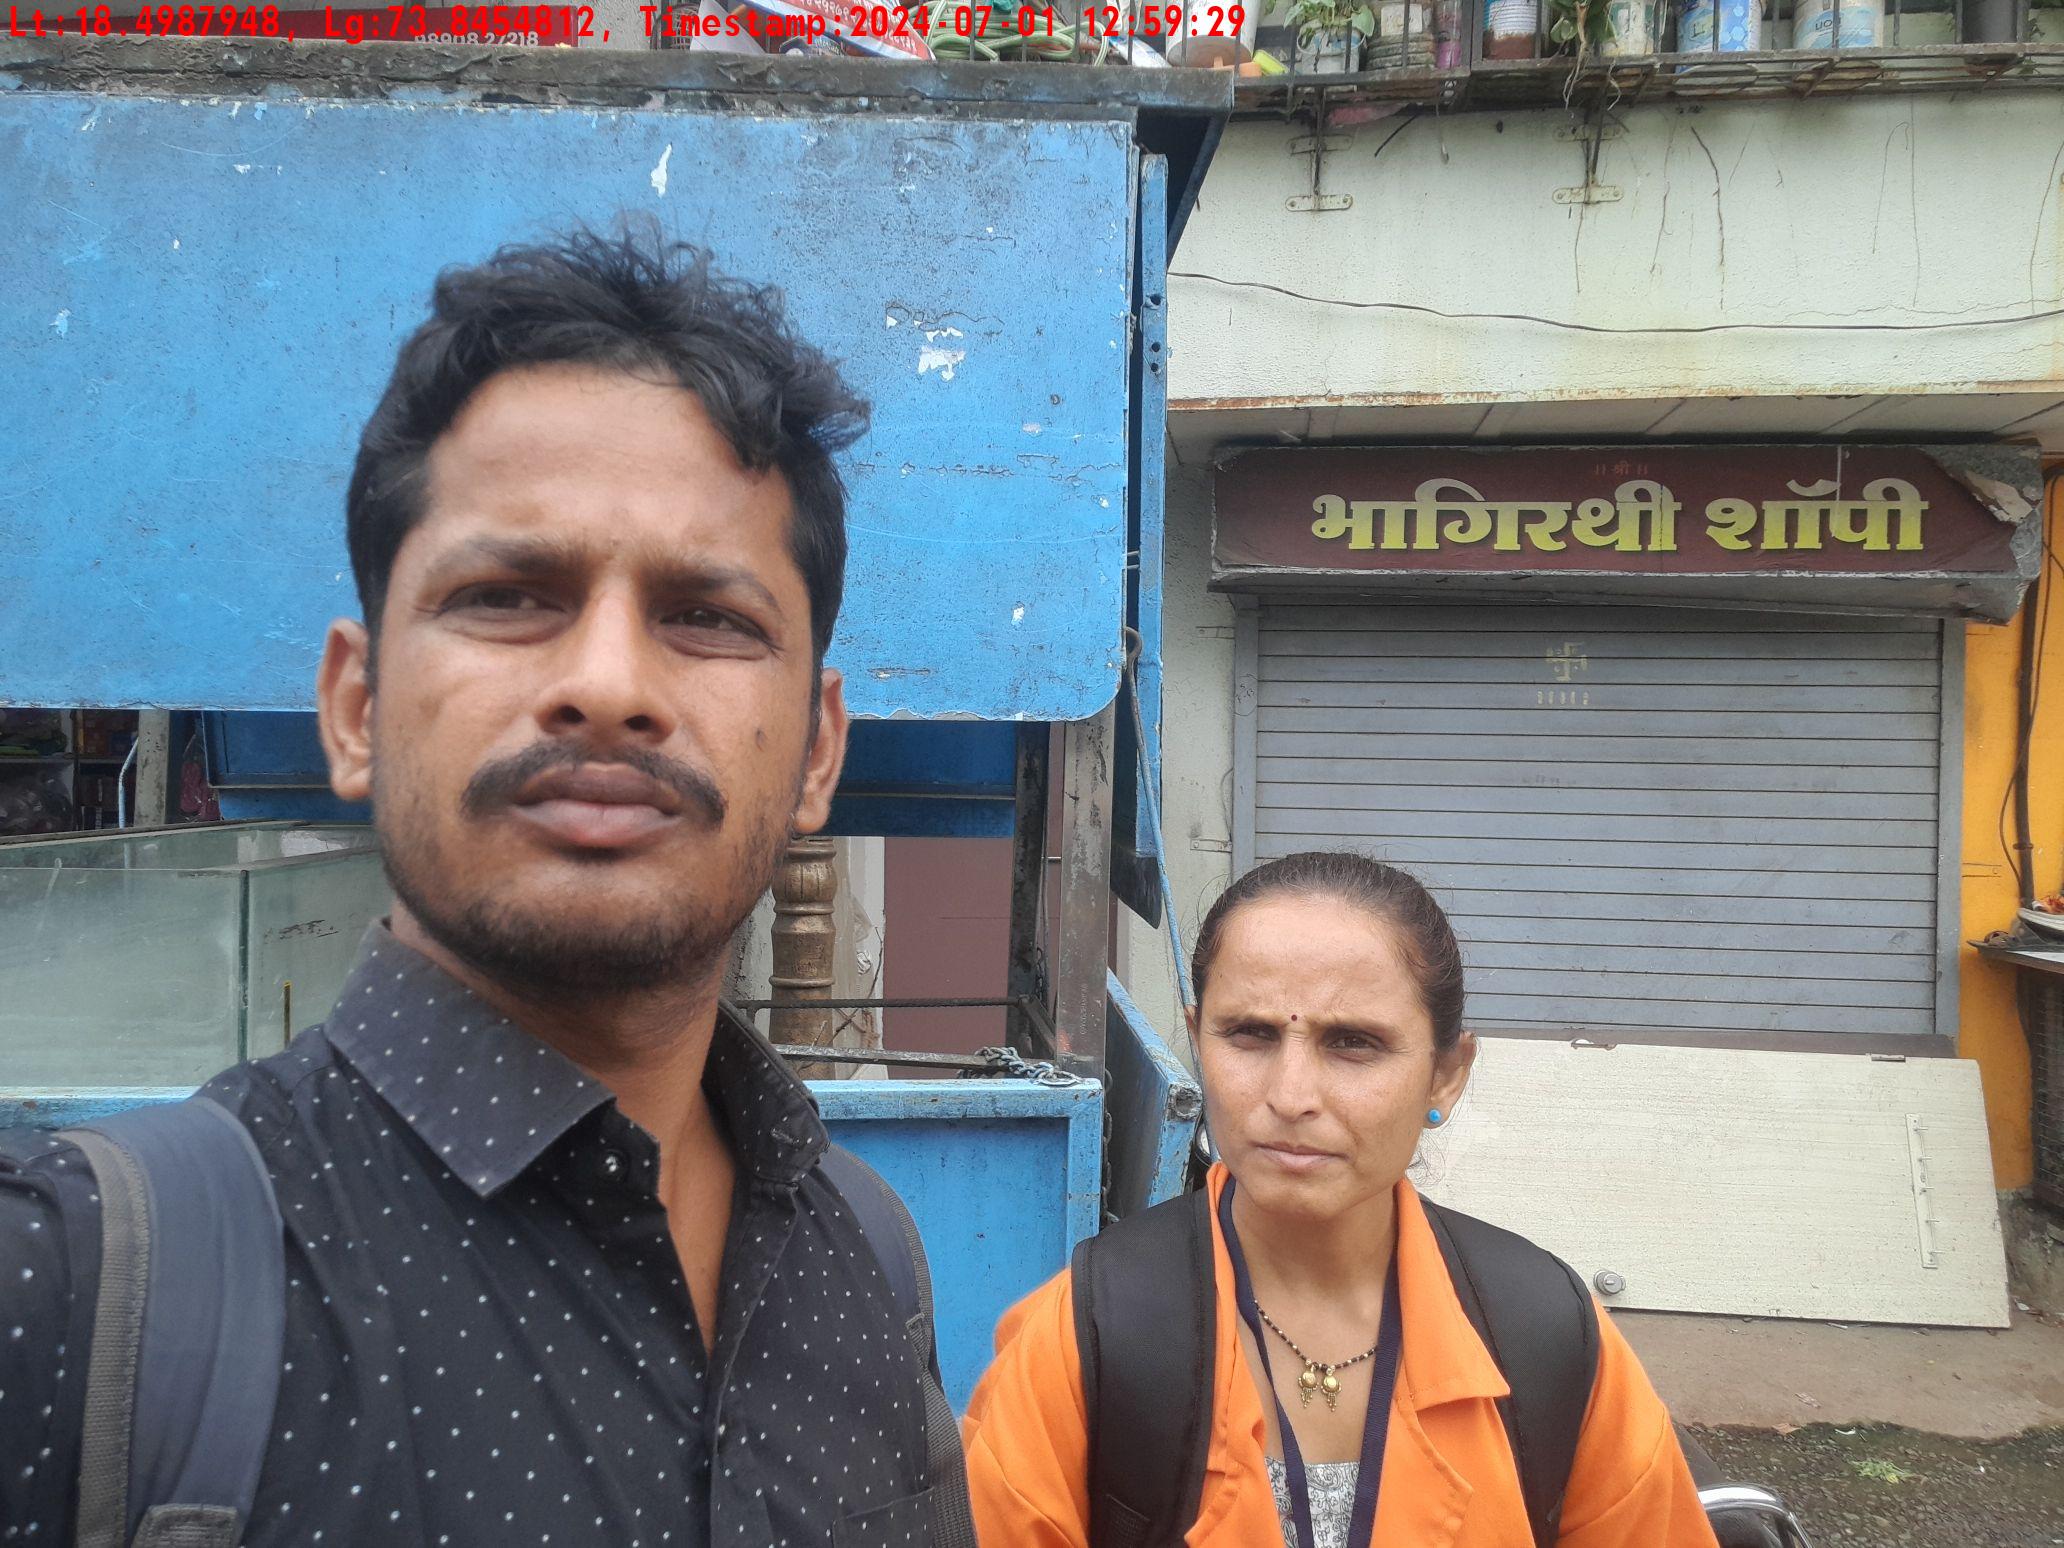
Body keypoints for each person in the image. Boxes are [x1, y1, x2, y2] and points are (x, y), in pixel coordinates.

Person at [0, 227, 971, 1545]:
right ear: (355, 708)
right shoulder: (74, 1295)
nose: (610, 686)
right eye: (509, 596)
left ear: (816, 753)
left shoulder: (870, 1259)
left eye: (708, 616)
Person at [961, 850, 1721, 1548]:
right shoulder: (1088, 1336)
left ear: (1446, 1075)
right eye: (1249, 1034)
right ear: (1198, 1041)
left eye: (1354, 1043)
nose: (1291, 1095)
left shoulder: (1545, 1335)